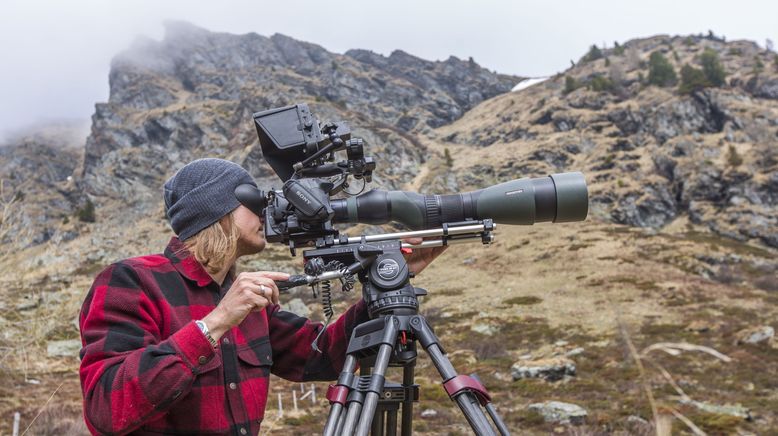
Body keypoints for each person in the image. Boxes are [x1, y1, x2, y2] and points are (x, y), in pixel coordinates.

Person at [78, 158, 445, 435]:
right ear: (217, 210)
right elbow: (106, 407)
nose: (264, 212)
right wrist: (215, 324)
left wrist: (390, 278)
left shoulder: (245, 299)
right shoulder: (132, 281)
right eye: (252, 200)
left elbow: (321, 356)